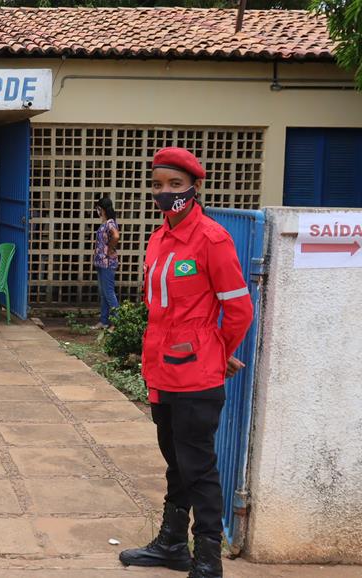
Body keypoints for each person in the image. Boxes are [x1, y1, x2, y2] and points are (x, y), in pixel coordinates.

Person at [119, 147, 253, 578]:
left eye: (175, 185)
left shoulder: (212, 239)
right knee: (176, 462)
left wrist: (218, 353)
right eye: (158, 185)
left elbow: (239, 310)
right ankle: (173, 544)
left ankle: (208, 557)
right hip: (161, 369)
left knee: (199, 466)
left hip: (196, 375)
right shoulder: (158, 238)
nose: (165, 192)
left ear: (195, 187)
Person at [93, 195, 121, 329]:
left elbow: (116, 236)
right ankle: (103, 321)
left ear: (101, 209)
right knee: (103, 292)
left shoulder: (110, 222)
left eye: (98, 208)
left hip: (108, 262)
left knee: (109, 292)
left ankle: (117, 322)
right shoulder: (105, 223)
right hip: (101, 262)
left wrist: (110, 248)